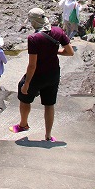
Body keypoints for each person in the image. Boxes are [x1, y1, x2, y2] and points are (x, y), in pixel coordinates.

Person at [10, 8, 74, 142]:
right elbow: (69, 52)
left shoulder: (34, 38)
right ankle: (48, 136)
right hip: (53, 74)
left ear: (34, 22)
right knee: (49, 105)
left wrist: (26, 83)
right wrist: (54, 52)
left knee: (24, 96)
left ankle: (23, 124)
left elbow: (32, 65)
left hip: (37, 75)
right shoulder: (58, 31)